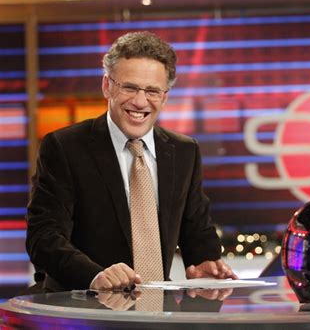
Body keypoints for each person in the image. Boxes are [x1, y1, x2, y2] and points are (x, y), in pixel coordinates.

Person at [25, 31, 236, 292]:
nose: (140, 101)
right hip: (84, 310)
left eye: (152, 91)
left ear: (165, 96)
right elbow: (43, 237)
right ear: (107, 86)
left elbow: (197, 230)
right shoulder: (65, 147)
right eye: (129, 87)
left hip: (159, 312)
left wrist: (204, 263)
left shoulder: (184, 151)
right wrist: (95, 275)